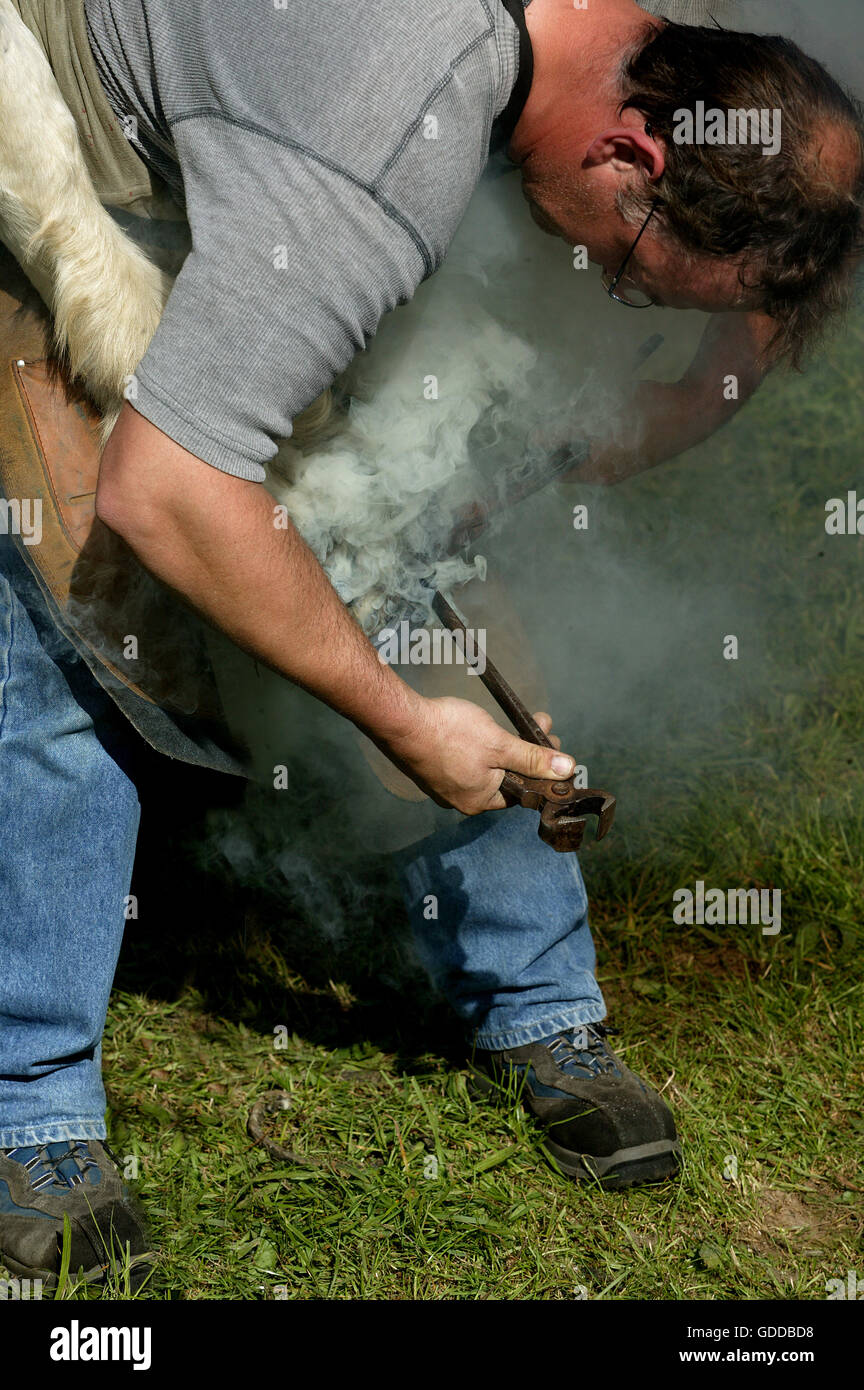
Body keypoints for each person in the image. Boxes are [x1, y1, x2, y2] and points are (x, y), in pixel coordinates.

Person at [0, 0, 861, 1289]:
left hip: (261, 137)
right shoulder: (373, 150)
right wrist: (404, 721)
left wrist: (636, 417)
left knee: (403, 510)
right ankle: (33, 1102)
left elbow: (783, 244)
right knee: (84, 615)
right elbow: (167, 490)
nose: (617, 295)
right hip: (49, 103)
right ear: (634, 158)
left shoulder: (641, 52)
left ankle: (540, 1006)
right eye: (633, 277)